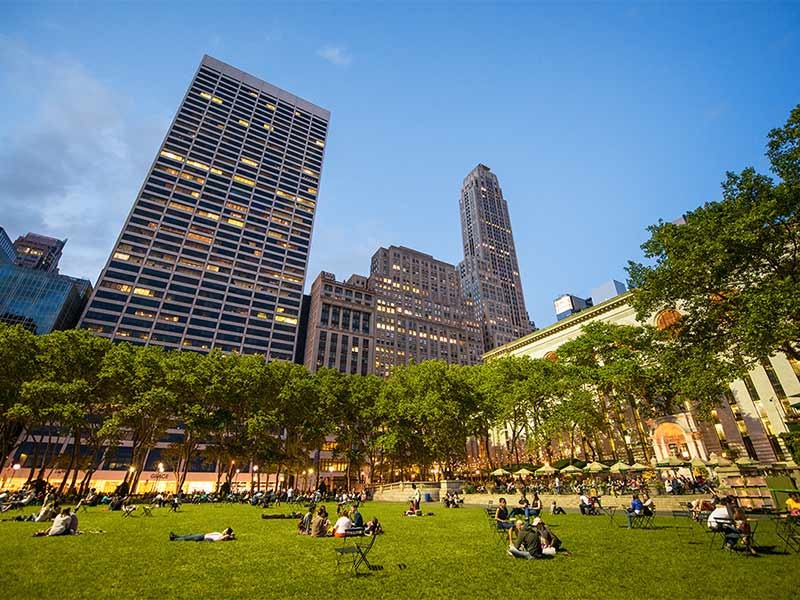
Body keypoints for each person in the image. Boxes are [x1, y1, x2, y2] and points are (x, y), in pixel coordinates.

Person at [170, 527, 235, 542]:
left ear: (226, 532)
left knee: (188, 538)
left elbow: (228, 536)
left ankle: (174, 539)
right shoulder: (220, 533)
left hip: (202, 537)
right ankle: (176, 536)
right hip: (203, 535)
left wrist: (231, 535)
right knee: (189, 535)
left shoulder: (222, 537)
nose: (224, 530)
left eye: (225, 530)